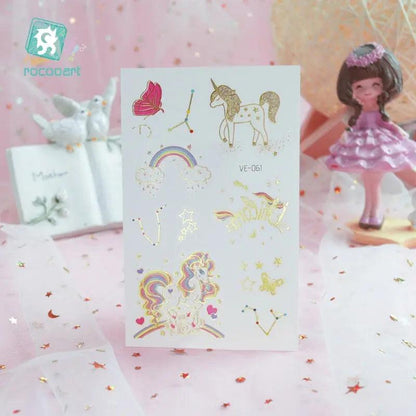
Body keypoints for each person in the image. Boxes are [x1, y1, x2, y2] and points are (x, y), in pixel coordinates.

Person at [326, 42, 416, 229]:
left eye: (375, 85)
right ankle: (370, 213)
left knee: (373, 181)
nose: (367, 91)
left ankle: (374, 213)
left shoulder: (378, 112)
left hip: (379, 146)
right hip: (364, 145)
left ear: (385, 84)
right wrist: (348, 134)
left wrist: (397, 131)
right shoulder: (360, 112)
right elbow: (357, 124)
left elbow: (385, 123)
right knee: (369, 181)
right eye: (359, 86)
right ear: (351, 88)